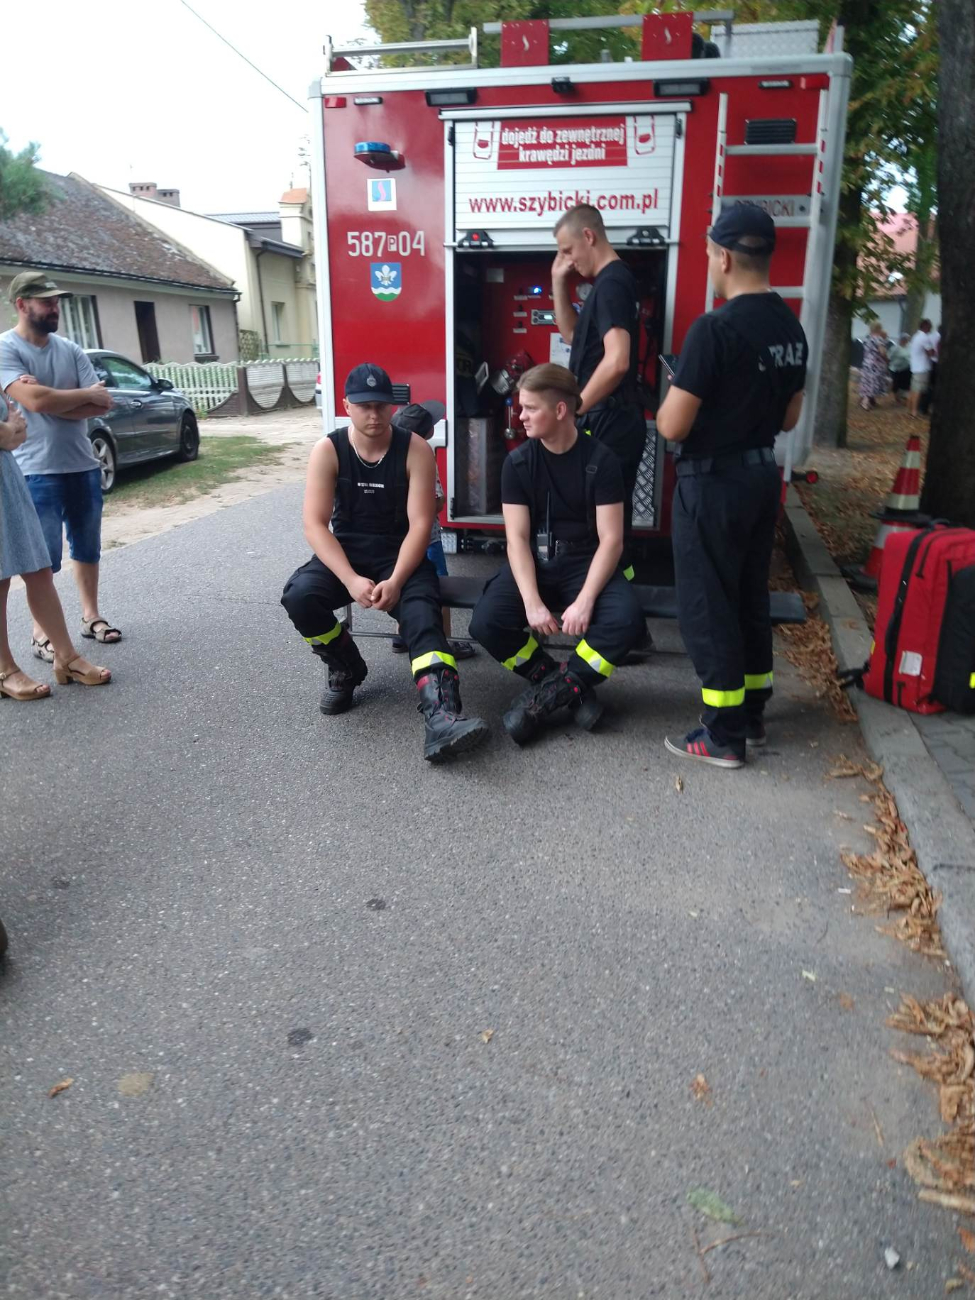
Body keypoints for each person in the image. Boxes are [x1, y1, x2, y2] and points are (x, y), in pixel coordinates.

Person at [656, 204, 807, 768]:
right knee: (748, 596)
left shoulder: (713, 329)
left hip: (712, 484)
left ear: (722, 255)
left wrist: (679, 386)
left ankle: (722, 734)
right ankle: (754, 714)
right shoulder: (791, 327)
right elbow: (789, 418)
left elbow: (673, 425)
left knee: (707, 605)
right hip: (760, 478)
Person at [280, 363, 489, 763]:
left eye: (380, 405)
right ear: (346, 406)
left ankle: (442, 718)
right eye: (363, 406)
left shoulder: (416, 449)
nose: (373, 415)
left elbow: (422, 524)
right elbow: (314, 524)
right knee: (299, 596)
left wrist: (395, 581)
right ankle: (346, 667)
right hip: (347, 553)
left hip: (401, 554)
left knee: (423, 620)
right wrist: (351, 579)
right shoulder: (328, 449)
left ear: (393, 407)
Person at [468, 364, 644, 745]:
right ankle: (560, 680)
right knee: (485, 622)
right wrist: (532, 602)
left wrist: (584, 601)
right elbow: (516, 539)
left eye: (531, 408)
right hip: (537, 560)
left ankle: (551, 695)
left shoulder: (602, 460)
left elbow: (611, 540)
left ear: (561, 410)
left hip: (588, 562)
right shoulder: (518, 463)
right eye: (521, 407)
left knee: (626, 620)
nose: (521, 416)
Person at [0, 271, 119, 663]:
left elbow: (103, 405)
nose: (55, 308)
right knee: (41, 559)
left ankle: (91, 616)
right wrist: (78, 396)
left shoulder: (70, 349)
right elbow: (33, 401)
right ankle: (42, 635)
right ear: (22, 304)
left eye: (57, 302)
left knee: (87, 546)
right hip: (35, 469)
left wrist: (54, 398)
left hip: (82, 464)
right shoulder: (6, 349)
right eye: (46, 301)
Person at [552, 204, 645, 583]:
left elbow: (617, 360)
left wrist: (574, 411)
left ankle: (613, 619)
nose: (568, 260)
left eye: (568, 250)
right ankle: (620, 614)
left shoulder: (612, 283)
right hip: (610, 419)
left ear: (589, 236)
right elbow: (574, 337)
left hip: (609, 420)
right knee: (603, 522)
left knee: (600, 527)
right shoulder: (608, 286)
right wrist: (558, 282)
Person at [1, 390, 110, 698]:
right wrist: (6, 431)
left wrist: (12, 430)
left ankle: (66, 657)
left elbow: (16, 421)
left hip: (8, 479)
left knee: (39, 569)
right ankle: (4, 670)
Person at [388, 402, 475, 660]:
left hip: (398, 537)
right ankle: (445, 640)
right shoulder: (423, 455)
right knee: (440, 586)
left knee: (404, 582)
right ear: (424, 433)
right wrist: (439, 501)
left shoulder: (390, 455)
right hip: (427, 538)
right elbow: (434, 501)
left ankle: (402, 634)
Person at [907, 318, 936, 418]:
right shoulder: (924, 338)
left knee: (913, 389)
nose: (930, 329)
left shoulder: (916, 336)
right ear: (926, 327)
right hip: (922, 367)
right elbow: (930, 353)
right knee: (918, 391)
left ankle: (910, 409)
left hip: (915, 366)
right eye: (930, 327)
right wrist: (933, 350)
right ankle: (914, 411)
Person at [858, 322, 888, 410]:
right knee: (873, 383)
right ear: (879, 329)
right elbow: (882, 352)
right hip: (875, 364)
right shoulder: (879, 339)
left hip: (866, 363)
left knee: (867, 382)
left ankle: (871, 401)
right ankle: (865, 403)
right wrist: (886, 359)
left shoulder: (868, 338)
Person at [887, 332, 911, 404]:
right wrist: (886, 367)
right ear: (900, 340)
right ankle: (897, 397)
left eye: (906, 339)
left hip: (906, 368)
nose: (905, 341)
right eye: (903, 339)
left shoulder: (910, 347)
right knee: (896, 383)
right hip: (895, 368)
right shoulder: (895, 348)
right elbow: (888, 357)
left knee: (905, 383)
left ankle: (904, 396)